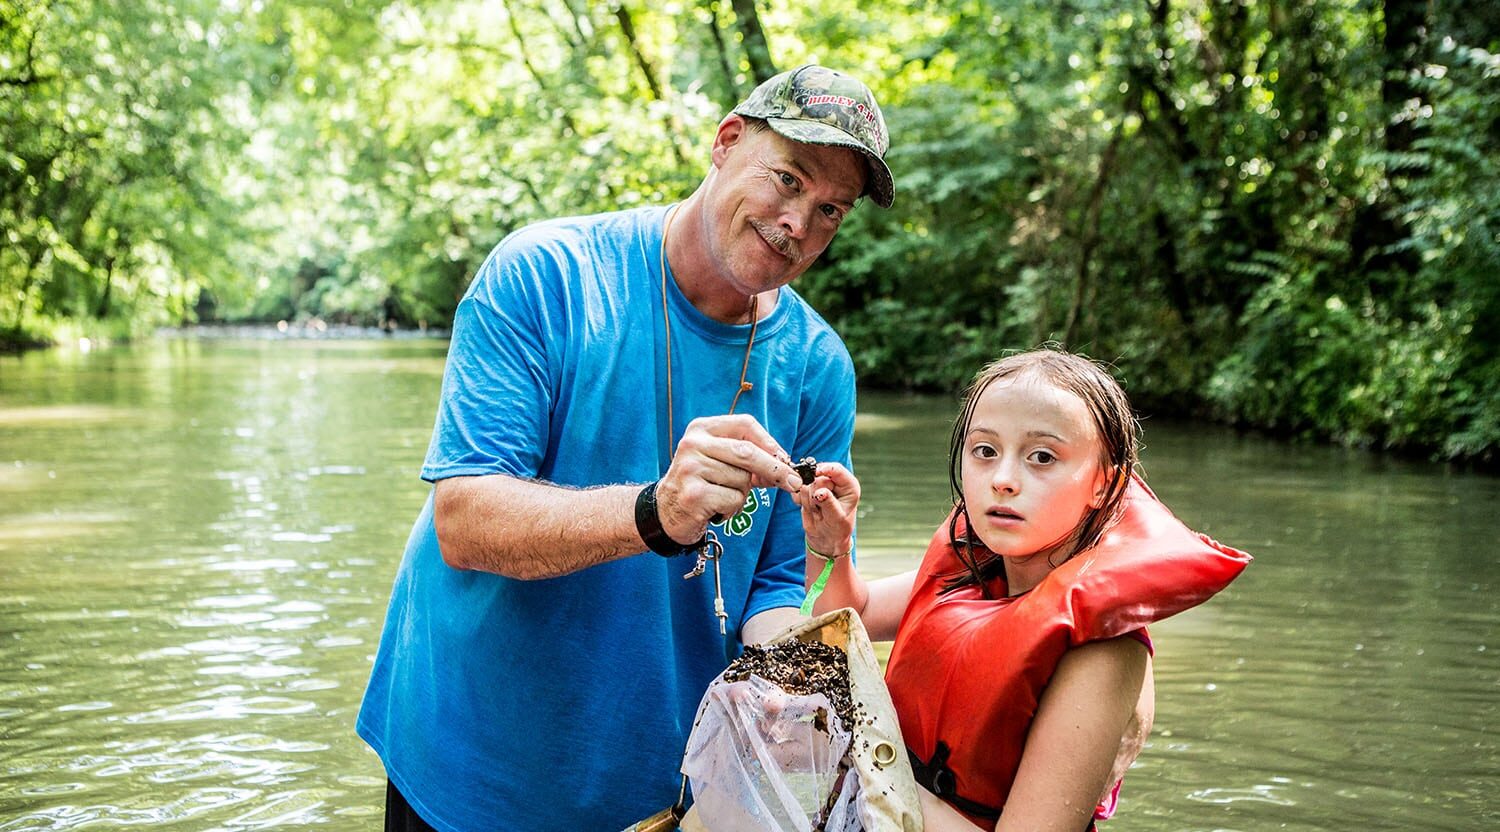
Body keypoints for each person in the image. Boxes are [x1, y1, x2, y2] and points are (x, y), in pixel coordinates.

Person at [356, 65, 896, 831]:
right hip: (471, 764)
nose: (798, 224)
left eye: (830, 210)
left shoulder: (816, 367)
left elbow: (773, 592)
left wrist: (803, 682)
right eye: (787, 179)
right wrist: (654, 512)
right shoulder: (546, 275)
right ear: (726, 142)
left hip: (651, 788)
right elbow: (464, 522)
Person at [793, 348, 1251, 831]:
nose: (1004, 480)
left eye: (1042, 457)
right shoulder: (971, 573)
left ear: (1103, 484)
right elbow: (848, 618)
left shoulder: (1104, 654)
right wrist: (831, 546)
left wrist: (859, 759)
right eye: (985, 451)